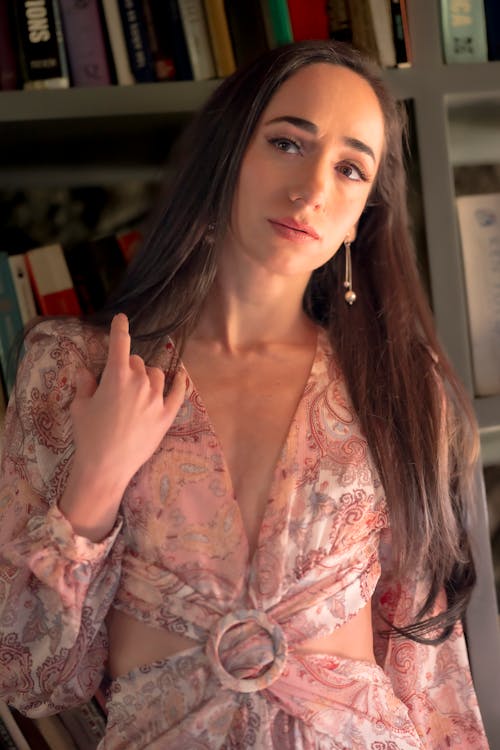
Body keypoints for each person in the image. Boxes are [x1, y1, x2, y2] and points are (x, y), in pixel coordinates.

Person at [0, 40, 490, 749]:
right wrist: (96, 484)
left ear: (361, 218)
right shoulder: (75, 367)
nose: (312, 189)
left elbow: (430, 674)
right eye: (288, 142)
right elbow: (34, 679)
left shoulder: (400, 389)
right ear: (227, 154)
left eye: (350, 168)